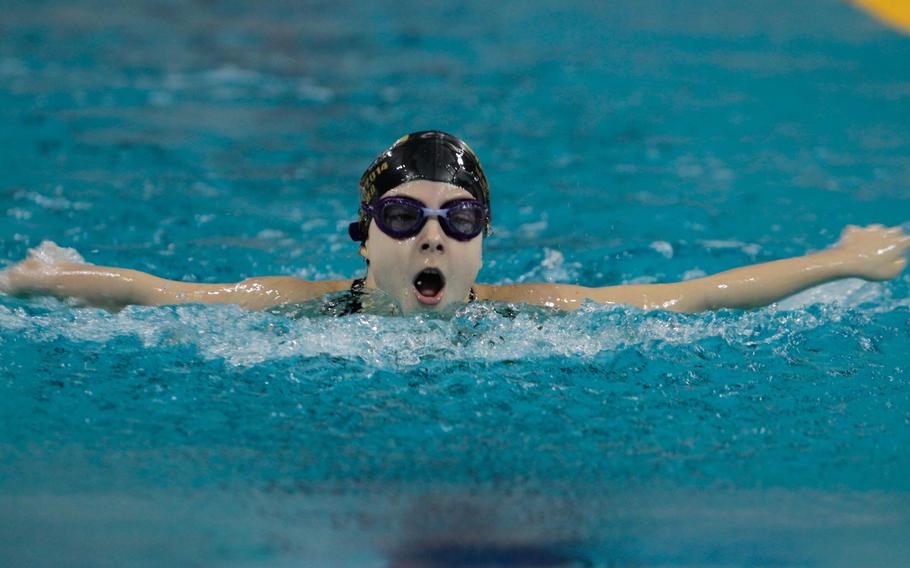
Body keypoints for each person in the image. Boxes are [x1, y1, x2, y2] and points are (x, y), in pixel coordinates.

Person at [1, 131, 908, 315]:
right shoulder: (294, 309)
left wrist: (839, 260)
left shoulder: (531, 314)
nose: (432, 236)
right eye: (404, 216)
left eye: (458, 218)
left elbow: (687, 297)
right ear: (364, 239)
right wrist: (46, 280)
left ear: (482, 242)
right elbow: (162, 294)